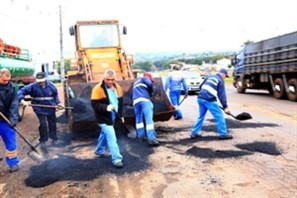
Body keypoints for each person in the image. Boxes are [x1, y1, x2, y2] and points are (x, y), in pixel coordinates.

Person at [91, 69, 124, 168]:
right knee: (111, 136)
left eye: (112, 79)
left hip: (113, 116)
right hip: (103, 118)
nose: (110, 81)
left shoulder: (118, 87)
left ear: (115, 78)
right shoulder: (98, 89)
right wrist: (106, 107)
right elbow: (94, 104)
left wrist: (121, 116)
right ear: (104, 78)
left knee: (104, 134)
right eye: (107, 79)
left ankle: (99, 150)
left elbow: (120, 103)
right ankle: (117, 159)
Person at [18, 72, 60, 146]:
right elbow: (20, 91)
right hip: (39, 108)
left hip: (50, 107)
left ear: (45, 79)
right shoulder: (32, 86)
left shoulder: (51, 86)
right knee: (43, 123)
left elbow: (55, 95)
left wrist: (57, 103)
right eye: (39, 82)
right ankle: (43, 140)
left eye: (42, 81)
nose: (41, 83)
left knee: (52, 122)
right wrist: (22, 100)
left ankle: (54, 138)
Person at [190, 68, 233, 140]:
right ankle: (223, 134)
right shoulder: (220, 81)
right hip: (209, 99)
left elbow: (200, 87)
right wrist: (225, 107)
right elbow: (222, 95)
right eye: (226, 76)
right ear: (223, 74)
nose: (225, 78)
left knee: (201, 116)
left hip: (200, 98)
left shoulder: (209, 77)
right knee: (219, 116)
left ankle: (194, 134)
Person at [0, 68, 20, 172]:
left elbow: (14, 104)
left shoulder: (12, 88)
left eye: (8, 80)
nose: (6, 82)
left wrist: (13, 120)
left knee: (10, 142)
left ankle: (13, 162)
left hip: (6, 119)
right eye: (4, 80)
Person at [132, 72, 159, 146]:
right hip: (144, 100)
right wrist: (151, 93)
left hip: (135, 101)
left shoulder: (136, 82)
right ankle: (151, 139)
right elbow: (150, 84)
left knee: (139, 120)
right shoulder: (145, 78)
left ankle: (141, 136)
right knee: (149, 119)